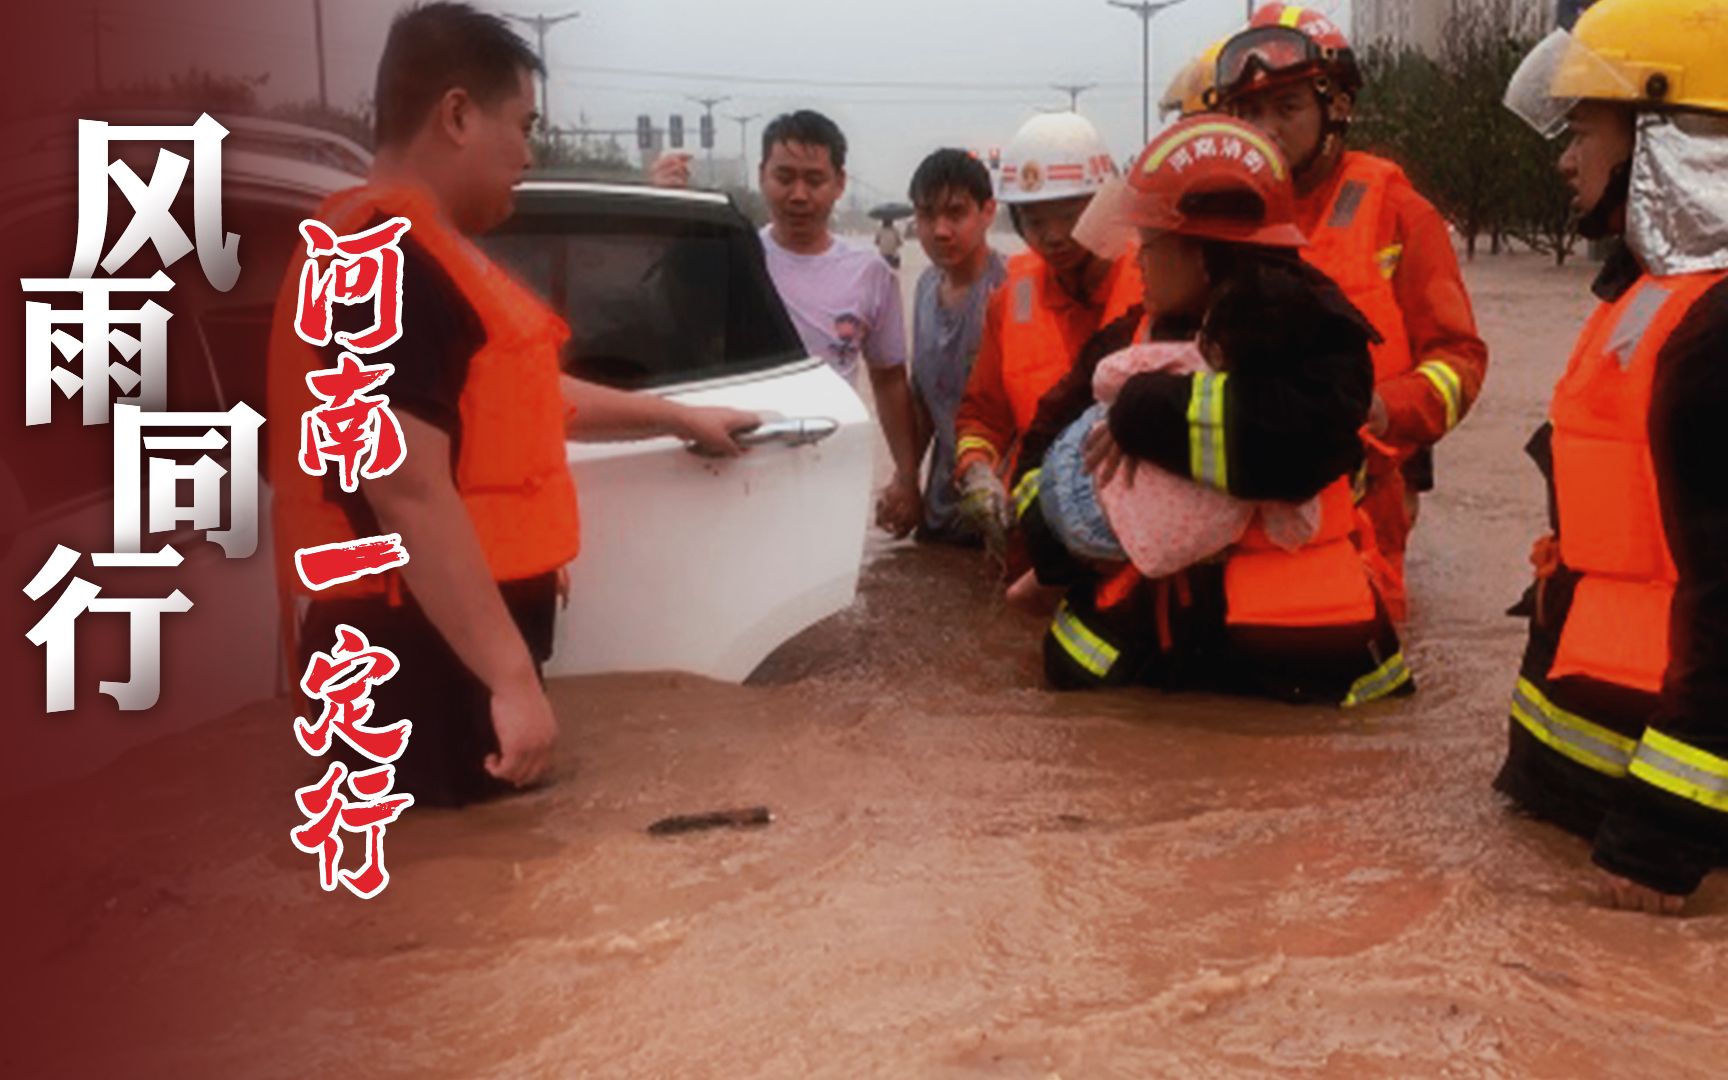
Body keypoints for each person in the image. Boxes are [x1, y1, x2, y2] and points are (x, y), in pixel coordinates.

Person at [266, 2, 757, 807]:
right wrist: (510, 678)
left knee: (473, 890)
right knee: (438, 907)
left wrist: (676, 417)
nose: (530, 152)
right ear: (457, 114)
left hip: (428, 644)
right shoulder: (386, 259)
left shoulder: (413, 251)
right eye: (523, 125)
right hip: (412, 655)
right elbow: (404, 484)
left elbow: (520, 400)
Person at [1011, 115, 1409, 707]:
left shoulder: (1319, 334)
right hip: (1151, 656)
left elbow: (1292, 436)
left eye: (1149, 244)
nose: (1136, 262)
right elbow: (1042, 440)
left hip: (1295, 665)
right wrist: (1056, 531)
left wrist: (1146, 408)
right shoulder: (1132, 334)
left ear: (1202, 254)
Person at [1494, 0, 1728, 914]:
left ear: (1672, 143)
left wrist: (1660, 843)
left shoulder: (1713, 337)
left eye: (1584, 128)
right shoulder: (1649, 303)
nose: (1564, 156)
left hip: (1656, 862)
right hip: (1581, 819)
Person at [1212, 3, 1490, 623]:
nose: (1268, 130)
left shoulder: (1398, 210)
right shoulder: (1220, 217)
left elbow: (1459, 360)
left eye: (1286, 108)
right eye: (1251, 112)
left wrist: (1386, 410)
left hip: (1367, 500)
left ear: (1334, 107)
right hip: (1238, 509)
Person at [1027, 278, 1332, 583]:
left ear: (1213, 343)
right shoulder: (1284, 435)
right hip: (1135, 547)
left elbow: (1106, 376)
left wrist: (1127, 408)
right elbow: (1293, 530)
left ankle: (1037, 581)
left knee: (1109, 403)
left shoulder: (1190, 357)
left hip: (1077, 482)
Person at [950, 112, 1142, 557]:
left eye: (1070, 217)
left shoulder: (1157, 281)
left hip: (1138, 537)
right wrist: (978, 472)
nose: (1054, 237)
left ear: (1106, 206)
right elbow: (982, 416)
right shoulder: (1009, 300)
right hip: (1041, 536)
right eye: (1035, 222)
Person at [754, 109, 923, 537]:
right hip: (744, 459)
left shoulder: (869, 272)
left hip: (828, 460)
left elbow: (888, 379)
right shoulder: (737, 256)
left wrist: (905, 476)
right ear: (762, 176)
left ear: (839, 184)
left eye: (814, 180)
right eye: (784, 177)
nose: (798, 195)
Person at [904, 148, 1007, 544]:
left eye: (955, 213)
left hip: (1000, 508)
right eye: (927, 215)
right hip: (940, 510)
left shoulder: (1012, 289)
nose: (940, 230)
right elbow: (922, 401)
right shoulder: (925, 287)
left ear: (987, 212)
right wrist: (904, 481)